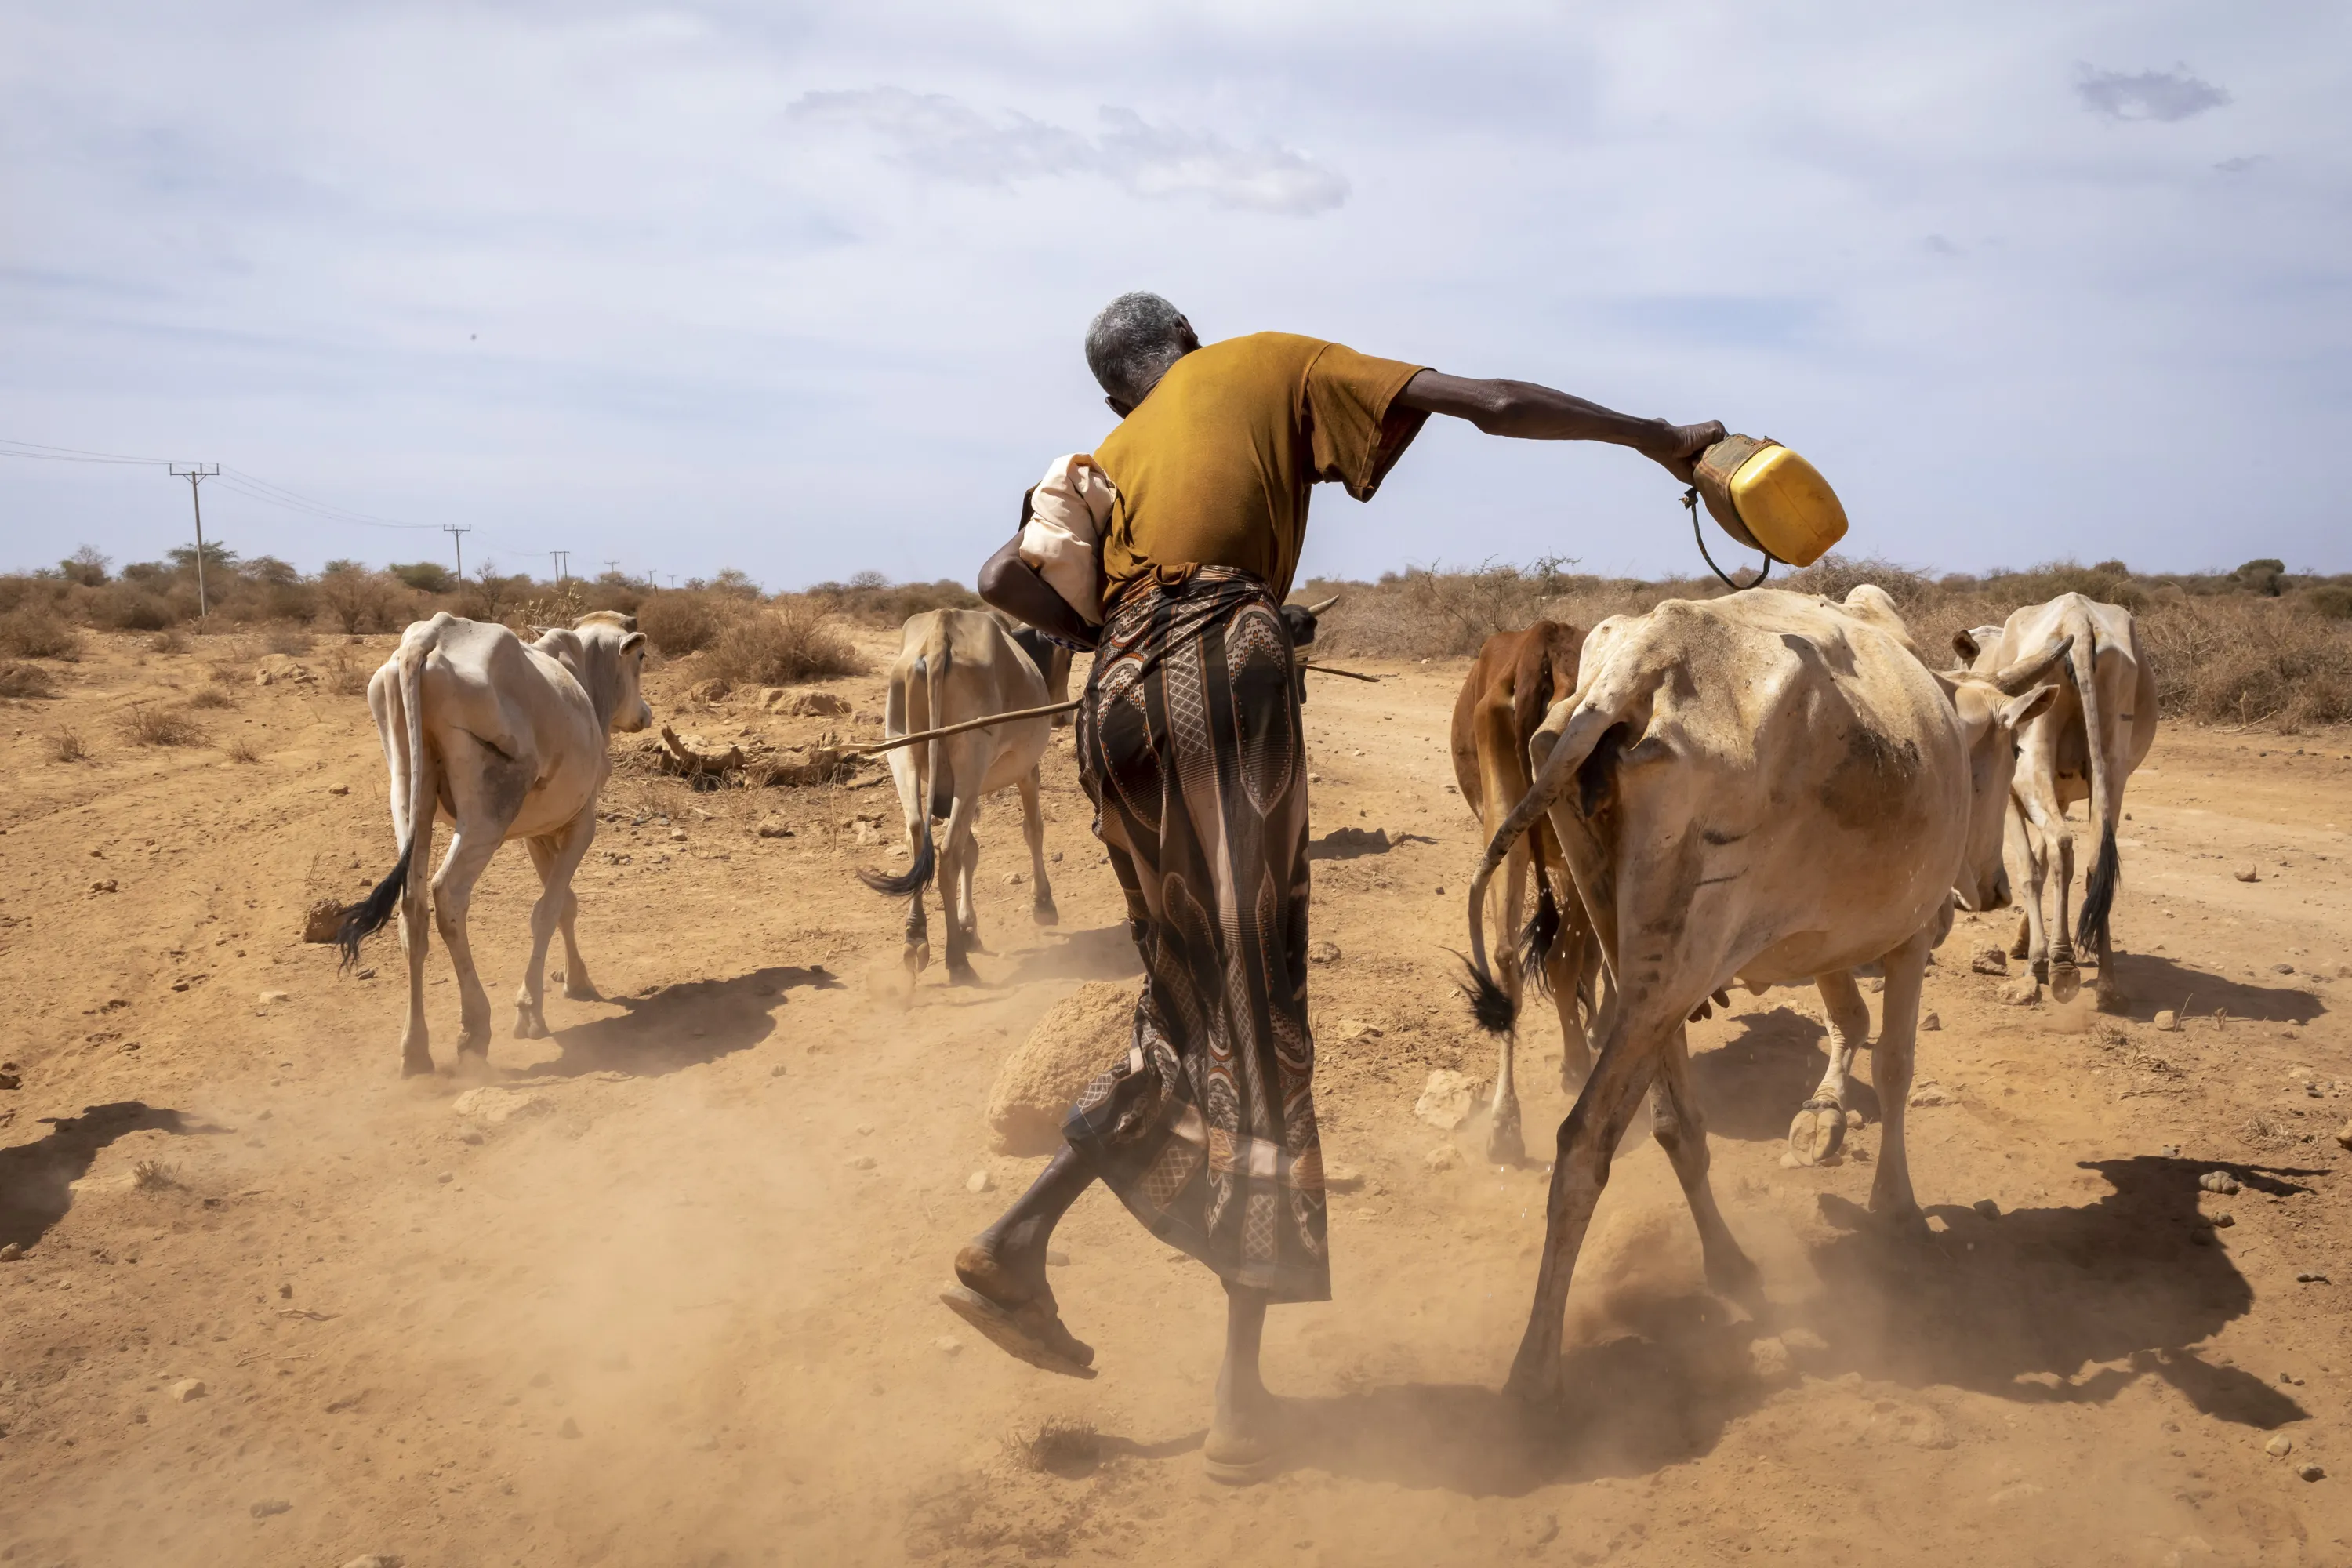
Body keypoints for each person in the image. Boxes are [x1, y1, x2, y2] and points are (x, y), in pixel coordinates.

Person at [949, 292, 1722, 1483]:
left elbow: (1005, 577)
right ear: (1190, 349)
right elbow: (1489, 403)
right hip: (1225, 667)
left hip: (1113, 703)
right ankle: (1239, 1406)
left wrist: (1125, 613)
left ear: (1121, 393)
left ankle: (1014, 1242)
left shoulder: (1107, 458)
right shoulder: (1272, 362)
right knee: (1260, 1033)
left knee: (1186, 1010)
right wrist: (1658, 437)